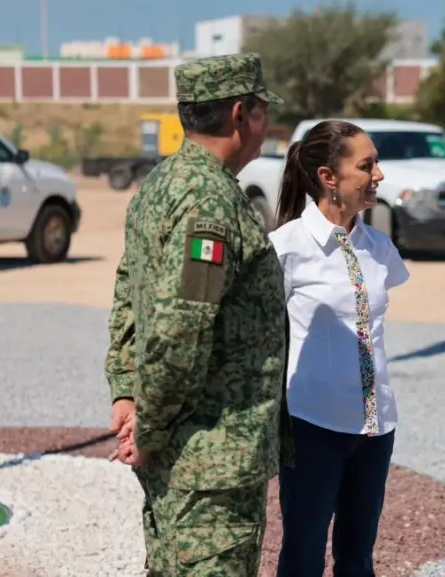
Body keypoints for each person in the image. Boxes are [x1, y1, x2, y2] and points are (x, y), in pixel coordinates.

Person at [103, 52, 292, 577]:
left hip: (187, 450)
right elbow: (179, 330)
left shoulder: (163, 184)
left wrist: (125, 389)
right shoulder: (209, 202)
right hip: (209, 457)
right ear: (239, 115)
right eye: (261, 111)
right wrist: (151, 429)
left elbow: (128, 290)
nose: (265, 125)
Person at [268, 119, 409, 577]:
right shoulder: (284, 249)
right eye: (367, 166)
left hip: (376, 426)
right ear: (329, 178)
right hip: (312, 426)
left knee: (357, 558)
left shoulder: (380, 248)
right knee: (304, 554)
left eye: (377, 164)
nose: (378, 176)